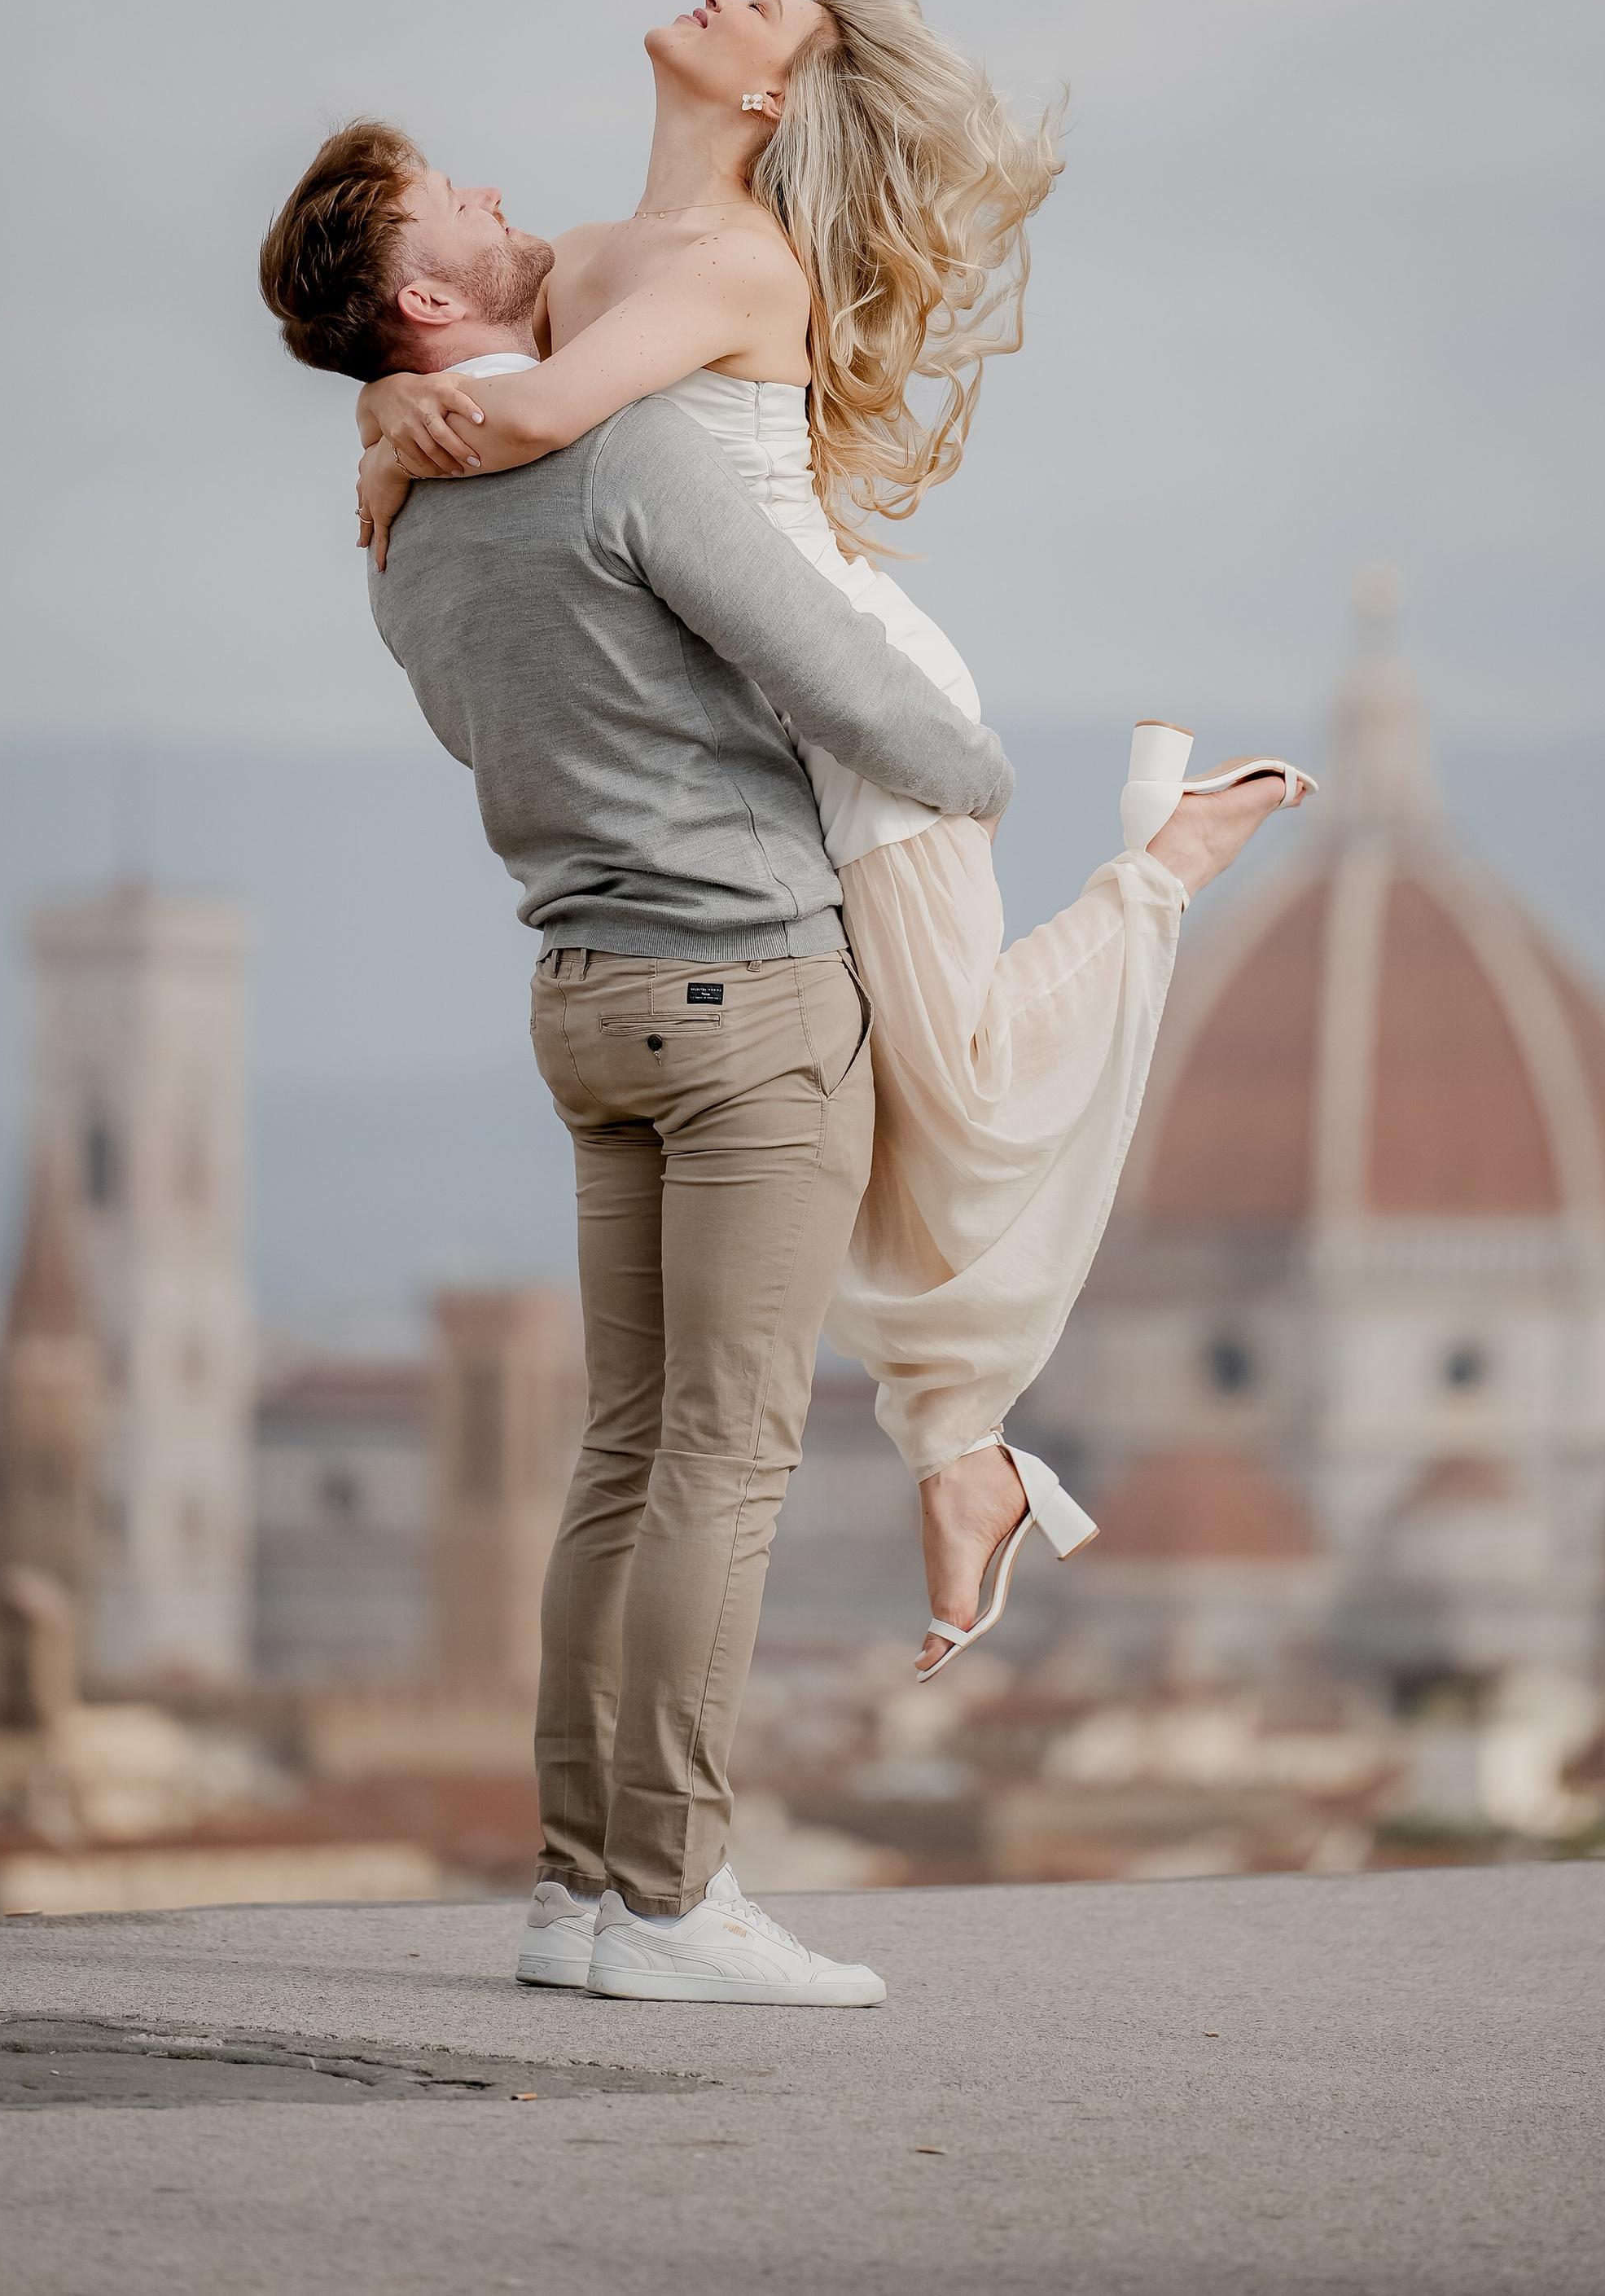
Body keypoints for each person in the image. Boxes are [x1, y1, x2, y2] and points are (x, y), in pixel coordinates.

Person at [314, 0, 1311, 1678]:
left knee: (966, 1092)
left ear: (772, 102)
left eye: (775, 12)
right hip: (766, 743)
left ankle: (1157, 875)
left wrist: (388, 445)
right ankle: (963, 1451)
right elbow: (458, 334)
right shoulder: (588, 250)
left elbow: (536, 416)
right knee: (880, 1130)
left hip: (861, 710)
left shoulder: (725, 265)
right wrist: (386, 397)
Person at [261, 164, 1010, 2003]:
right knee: (723, 1465)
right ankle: (671, 1899)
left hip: (583, 993)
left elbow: (485, 718)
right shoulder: (628, 463)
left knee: (619, 1457)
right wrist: (972, 769)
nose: (497, 194)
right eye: (447, 203)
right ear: (422, 306)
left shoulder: (404, 532)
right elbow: (855, 690)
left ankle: (579, 1891)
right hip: (745, 987)